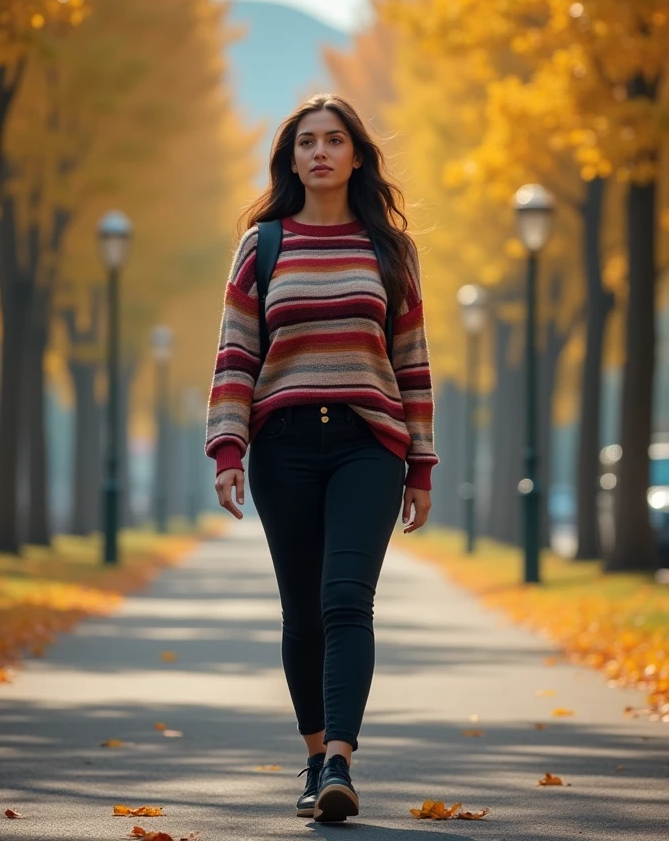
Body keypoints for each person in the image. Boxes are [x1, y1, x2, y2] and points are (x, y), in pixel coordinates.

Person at [205, 93, 439, 823]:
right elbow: (237, 352)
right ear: (291, 158)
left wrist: (422, 465)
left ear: (357, 156)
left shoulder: (389, 250)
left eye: (335, 140)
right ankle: (313, 760)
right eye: (307, 141)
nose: (320, 152)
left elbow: (411, 361)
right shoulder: (263, 246)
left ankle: (340, 757)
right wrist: (228, 447)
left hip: (368, 445)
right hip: (284, 448)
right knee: (302, 611)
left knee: (346, 599)